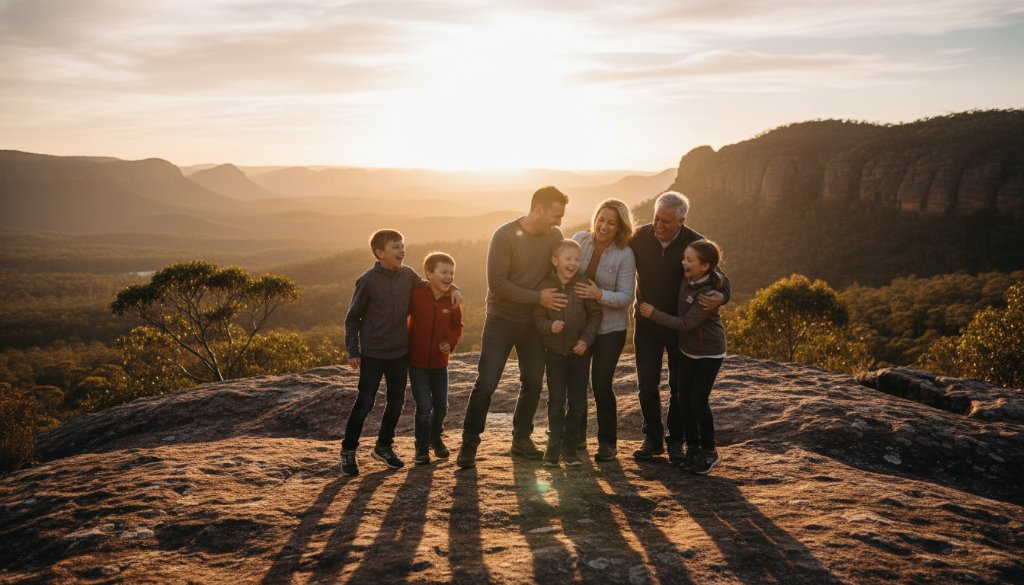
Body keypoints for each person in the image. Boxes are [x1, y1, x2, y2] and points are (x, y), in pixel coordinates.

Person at [456, 186, 570, 469]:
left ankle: (521, 439)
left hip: (533, 322)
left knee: (533, 382)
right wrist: (538, 296)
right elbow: (498, 284)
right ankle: (469, 443)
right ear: (539, 208)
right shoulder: (505, 235)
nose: (559, 223)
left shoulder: (554, 236)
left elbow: (560, 269)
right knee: (487, 383)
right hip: (502, 320)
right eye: (555, 215)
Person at [340, 230, 461, 476]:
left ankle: (383, 446)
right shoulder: (367, 281)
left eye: (402, 246)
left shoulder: (408, 276)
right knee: (365, 402)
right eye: (395, 247)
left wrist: (454, 287)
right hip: (373, 353)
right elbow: (352, 319)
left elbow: (433, 285)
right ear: (380, 253)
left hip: (400, 354)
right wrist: (354, 350)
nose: (401, 251)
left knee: (397, 402)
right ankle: (348, 450)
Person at [629, 192, 729, 464]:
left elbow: (718, 273)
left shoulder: (694, 241)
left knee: (678, 388)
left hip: (679, 329)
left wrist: (724, 295)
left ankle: (676, 441)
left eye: (666, 222)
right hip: (647, 325)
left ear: (681, 221)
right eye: (656, 218)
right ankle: (652, 438)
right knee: (647, 384)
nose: (658, 226)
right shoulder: (638, 236)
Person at [639, 239, 726, 474]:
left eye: (689, 260)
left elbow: (687, 323)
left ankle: (710, 452)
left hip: (708, 352)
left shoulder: (708, 293)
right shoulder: (687, 278)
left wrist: (653, 314)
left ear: (705, 266)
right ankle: (693, 450)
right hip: (688, 351)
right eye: (684, 258)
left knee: (698, 401)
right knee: (684, 400)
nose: (683, 263)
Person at [570, 199, 636, 462]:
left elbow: (626, 297)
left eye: (611, 222)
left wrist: (599, 295)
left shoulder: (624, 254)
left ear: (620, 227)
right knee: (576, 384)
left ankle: (607, 443)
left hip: (610, 329)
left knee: (600, 384)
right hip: (581, 326)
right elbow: (562, 266)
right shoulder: (580, 239)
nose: (603, 226)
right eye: (601, 219)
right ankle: (576, 439)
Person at [534, 239, 602, 467]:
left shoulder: (583, 284)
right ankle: (552, 450)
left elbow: (595, 316)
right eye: (568, 259)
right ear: (555, 261)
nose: (573, 263)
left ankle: (570, 450)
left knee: (578, 404)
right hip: (554, 353)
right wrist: (548, 327)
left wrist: (585, 340)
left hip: (579, 354)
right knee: (555, 402)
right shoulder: (545, 285)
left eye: (576, 259)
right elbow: (537, 317)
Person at [408, 252, 464, 465]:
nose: (449, 277)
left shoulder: (452, 298)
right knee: (424, 406)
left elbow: (457, 326)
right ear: (429, 274)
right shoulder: (416, 294)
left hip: (440, 364)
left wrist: (450, 342)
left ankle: (435, 438)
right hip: (417, 363)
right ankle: (421, 448)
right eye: (444, 272)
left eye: (451, 273)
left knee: (441, 406)